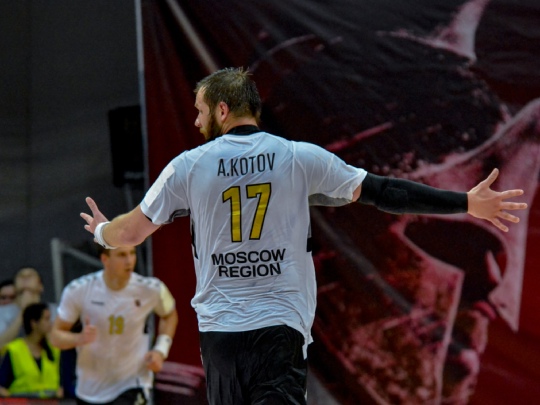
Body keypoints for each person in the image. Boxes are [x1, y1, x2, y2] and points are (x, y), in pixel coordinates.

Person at [79, 67, 527, 404]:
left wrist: (101, 230)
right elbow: (384, 192)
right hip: (279, 328)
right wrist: (464, 203)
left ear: (222, 109)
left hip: (221, 334)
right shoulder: (296, 157)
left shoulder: (188, 166)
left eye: (200, 111)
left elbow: (129, 233)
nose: (197, 122)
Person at [49, 245, 178, 405]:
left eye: (132, 253)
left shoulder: (151, 288)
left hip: (132, 382)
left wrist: (160, 350)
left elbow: (169, 315)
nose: (129, 261)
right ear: (105, 259)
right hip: (90, 388)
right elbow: (55, 336)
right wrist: (79, 339)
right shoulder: (79, 289)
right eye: (122, 255)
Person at [0, 302, 62, 399]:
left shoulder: (54, 350)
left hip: (51, 401)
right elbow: (2, 386)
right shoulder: (14, 350)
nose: (50, 323)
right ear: (34, 323)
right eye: (46, 319)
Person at [0, 267, 57, 350]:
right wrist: (24, 312)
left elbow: (58, 345)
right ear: (14, 288)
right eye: (20, 276)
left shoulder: (55, 310)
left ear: (41, 287)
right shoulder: (2, 313)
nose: (25, 277)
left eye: (31, 275)